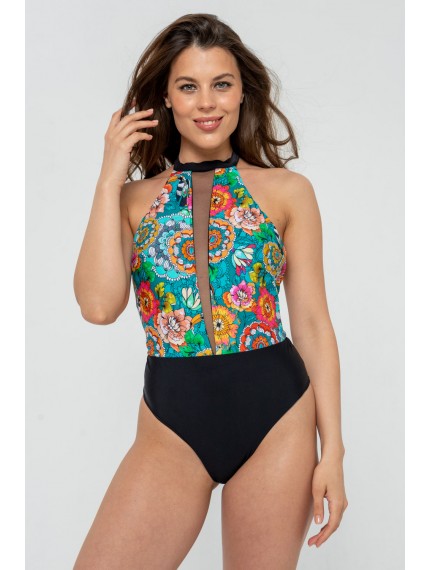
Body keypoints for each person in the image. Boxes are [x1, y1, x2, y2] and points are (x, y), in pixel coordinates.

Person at [72, 12, 348, 570]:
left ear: (243, 92)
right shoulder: (131, 200)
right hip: (172, 424)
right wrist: (109, 176)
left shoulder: (288, 191)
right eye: (188, 86)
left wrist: (334, 451)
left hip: (278, 418)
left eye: (221, 84)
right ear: (166, 98)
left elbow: (313, 323)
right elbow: (98, 307)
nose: (206, 103)